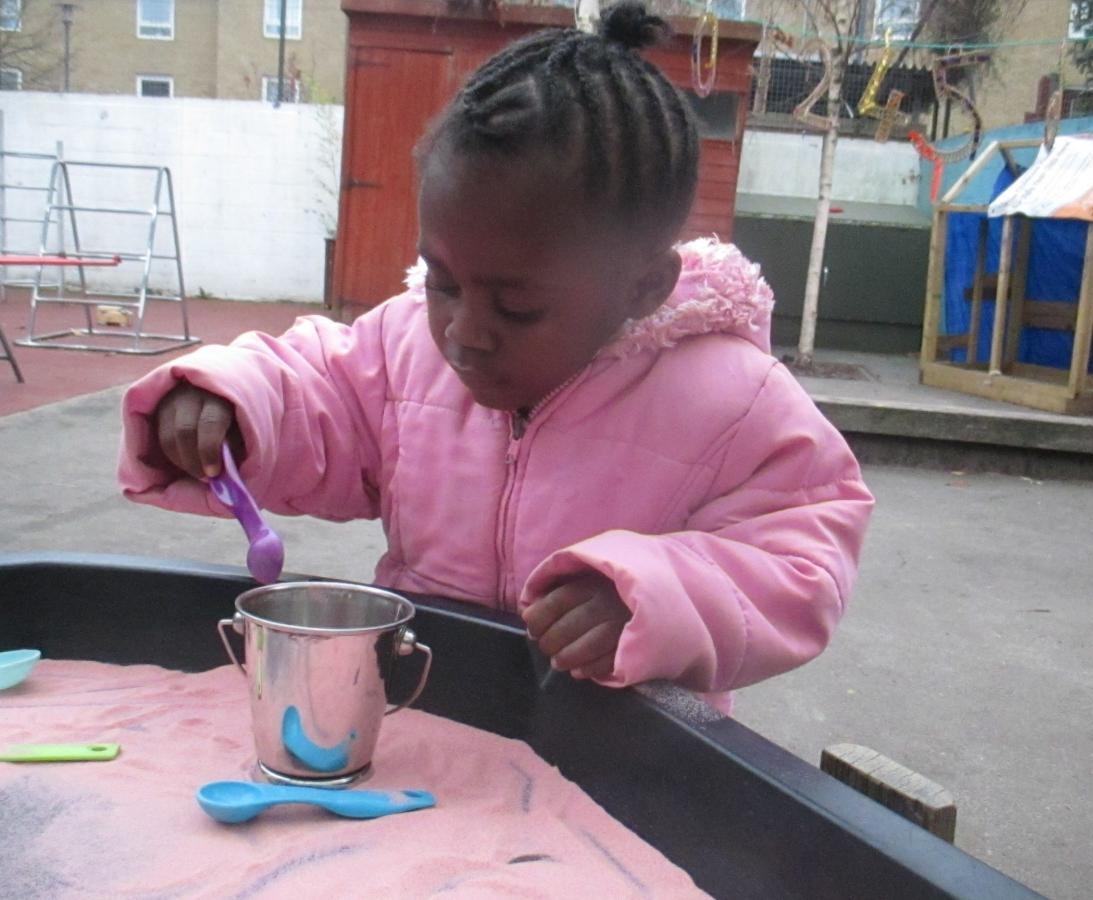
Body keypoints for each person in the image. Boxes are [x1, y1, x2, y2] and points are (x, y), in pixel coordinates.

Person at [118, 1, 874, 711]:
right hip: (429, 717)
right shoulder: (407, 345)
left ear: (644, 285)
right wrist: (233, 407)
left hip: (615, 765)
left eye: (517, 307)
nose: (464, 332)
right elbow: (320, 392)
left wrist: (659, 596)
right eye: (444, 282)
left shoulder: (730, 400)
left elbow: (801, 557)